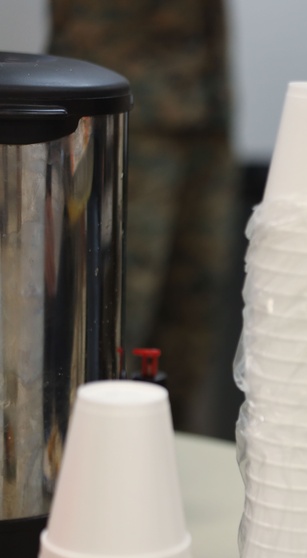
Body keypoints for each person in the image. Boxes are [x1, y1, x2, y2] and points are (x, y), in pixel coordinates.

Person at [48, 0, 239, 433]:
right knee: (109, 323)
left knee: (190, 323)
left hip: (202, 101)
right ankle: (90, 471)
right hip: (115, 103)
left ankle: (161, 469)